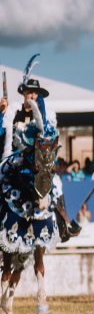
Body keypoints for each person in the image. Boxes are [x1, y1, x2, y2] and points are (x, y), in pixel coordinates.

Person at [0, 56, 81, 241]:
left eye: (36, 94)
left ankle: (65, 224)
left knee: (57, 184)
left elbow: (51, 141)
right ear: (24, 94)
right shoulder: (12, 113)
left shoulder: (46, 119)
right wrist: (0, 113)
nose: (32, 96)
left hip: (37, 162)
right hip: (13, 159)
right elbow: (1, 134)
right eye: (29, 93)